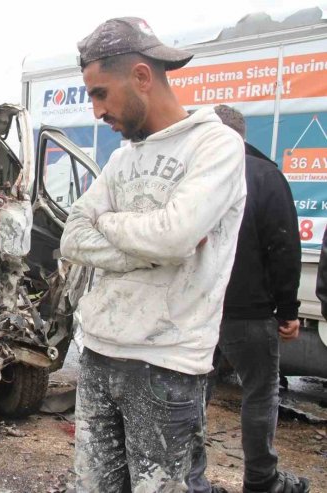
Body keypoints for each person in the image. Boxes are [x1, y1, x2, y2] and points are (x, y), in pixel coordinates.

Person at [59, 18, 246, 491]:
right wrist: (148, 250)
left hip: (166, 363)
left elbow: (173, 236)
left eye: (101, 93)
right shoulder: (123, 158)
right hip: (99, 350)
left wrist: (113, 224)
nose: (97, 111)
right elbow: (72, 237)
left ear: (142, 76)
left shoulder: (214, 144)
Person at [187, 105, 308, 493]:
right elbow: (284, 246)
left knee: (193, 395)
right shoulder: (265, 175)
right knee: (259, 394)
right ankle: (261, 480)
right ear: (241, 134)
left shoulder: (191, 175)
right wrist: (288, 309)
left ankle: (191, 481)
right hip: (249, 314)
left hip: (198, 310)